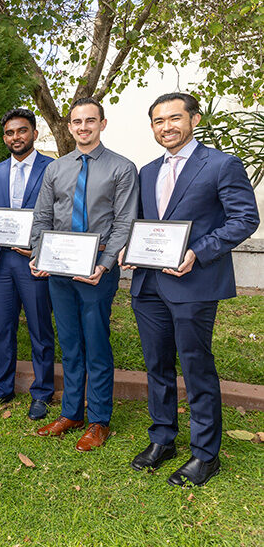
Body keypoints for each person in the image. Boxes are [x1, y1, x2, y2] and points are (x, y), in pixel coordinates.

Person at [121, 93, 258, 486]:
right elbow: (147, 224)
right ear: (152, 127)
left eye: (175, 118)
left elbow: (245, 218)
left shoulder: (221, 164)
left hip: (194, 282)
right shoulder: (147, 171)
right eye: (158, 121)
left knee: (196, 366)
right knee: (157, 364)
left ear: (194, 119)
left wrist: (199, 251)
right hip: (148, 284)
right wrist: (132, 249)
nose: (167, 127)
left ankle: (205, 454)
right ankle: (162, 438)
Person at [29, 97, 138, 451]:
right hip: (60, 271)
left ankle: (99, 419)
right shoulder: (57, 169)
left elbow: (124, 222)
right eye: (77, 122)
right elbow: (42, 217)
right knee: (70, 343)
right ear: (70, 126)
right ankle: (72, 411)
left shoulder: (122, 168)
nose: (83, 127)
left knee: (96, 343)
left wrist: (105, 264)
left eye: (90, 121)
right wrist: (37, 254)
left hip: (96, 272)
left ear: (102, 124)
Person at [0, 108, 55, 420]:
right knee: (3, 329)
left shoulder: (53, 169)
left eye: (21, 131)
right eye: (9, 133)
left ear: (33, 132)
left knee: (39, 330)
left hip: (32, 262)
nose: (15, 137)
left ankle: (42, 392)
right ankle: (2, 387)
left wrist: (38, 246)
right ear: (4, 137)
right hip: (1, 265)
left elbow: (59, 216)